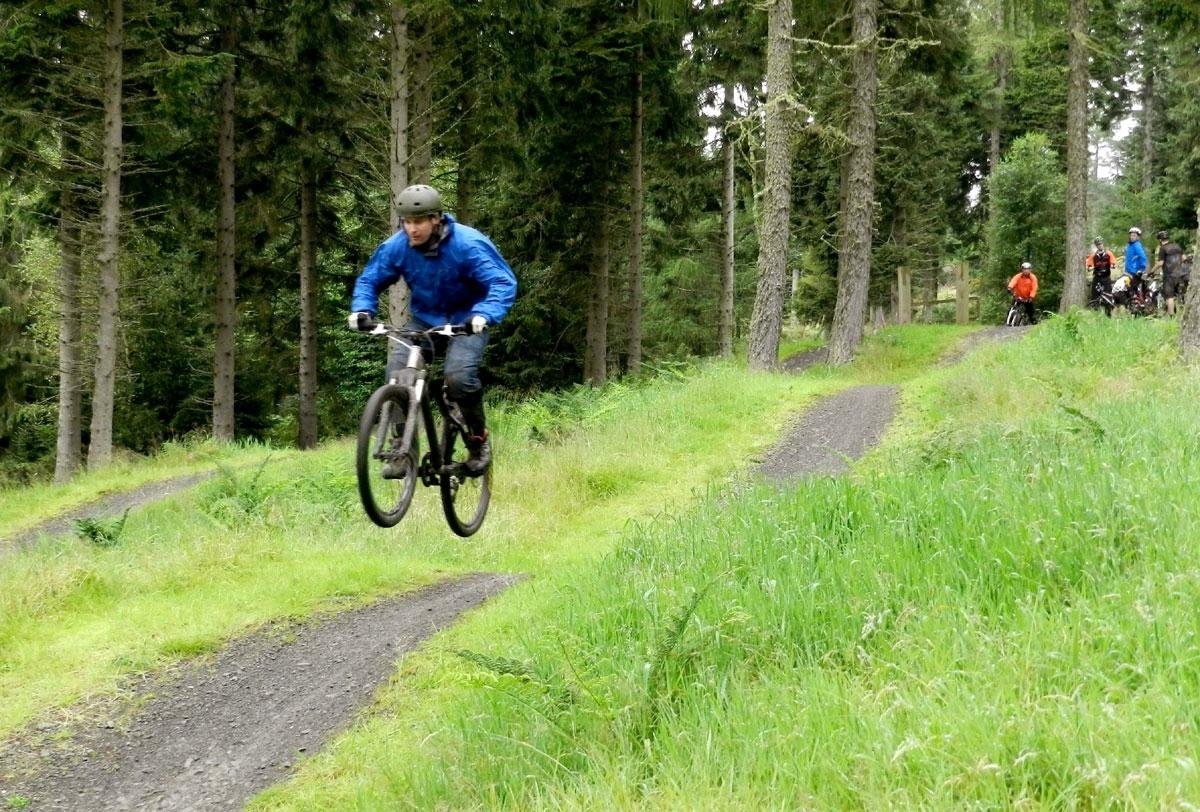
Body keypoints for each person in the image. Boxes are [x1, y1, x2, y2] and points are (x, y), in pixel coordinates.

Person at [348, 184, 517, 475]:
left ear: (436, 219)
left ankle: (478, 440)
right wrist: (363, 309)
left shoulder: (468, 244)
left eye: (419, 221)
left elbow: (502, 282)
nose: (412, 229)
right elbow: (370, 279)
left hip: (468, 319)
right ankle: (403, 449)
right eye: (407, 222)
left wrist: (485, 314)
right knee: (398, 375)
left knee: (459, 377)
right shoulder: (397, 247)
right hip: (426, 320)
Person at [1153, 229, 1187, 316]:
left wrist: (1151, 271)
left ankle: (1171, 316)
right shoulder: (1177, 246)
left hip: (1169, 275)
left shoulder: (1163, 248)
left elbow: (1160, 263)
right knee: (1182, 294)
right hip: (1182, 274)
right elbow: (1184, 258)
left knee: (1169, 296)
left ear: (1160, 240)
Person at [1085, 236, 1115, 315]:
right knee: (1095, 296)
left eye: (1100, 244)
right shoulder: (1093, 256)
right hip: (1097, 278)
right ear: (1096, 245)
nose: (1099, 245)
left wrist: (1110, 265)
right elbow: (1089, 267)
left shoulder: (1109, 254)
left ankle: (1108, 314)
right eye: (1098, 244)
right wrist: (1093, 267)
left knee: (1108, 296)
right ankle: (1096, 314)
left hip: (1106, 278)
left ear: (1103, 244)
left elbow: (1113, 264)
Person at [1125, 226, 1148, 301]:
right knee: (1128, 289)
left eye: (1134, 236)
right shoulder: (1129, 245)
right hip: (1129, 272)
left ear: (1138, 237)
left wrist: (1141, 269)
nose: (1132, 237)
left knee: (1133, 290)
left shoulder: (1137, 245)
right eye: (1131, 235)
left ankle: (1139, 305)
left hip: (1135, 272)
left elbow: (1143, 257)